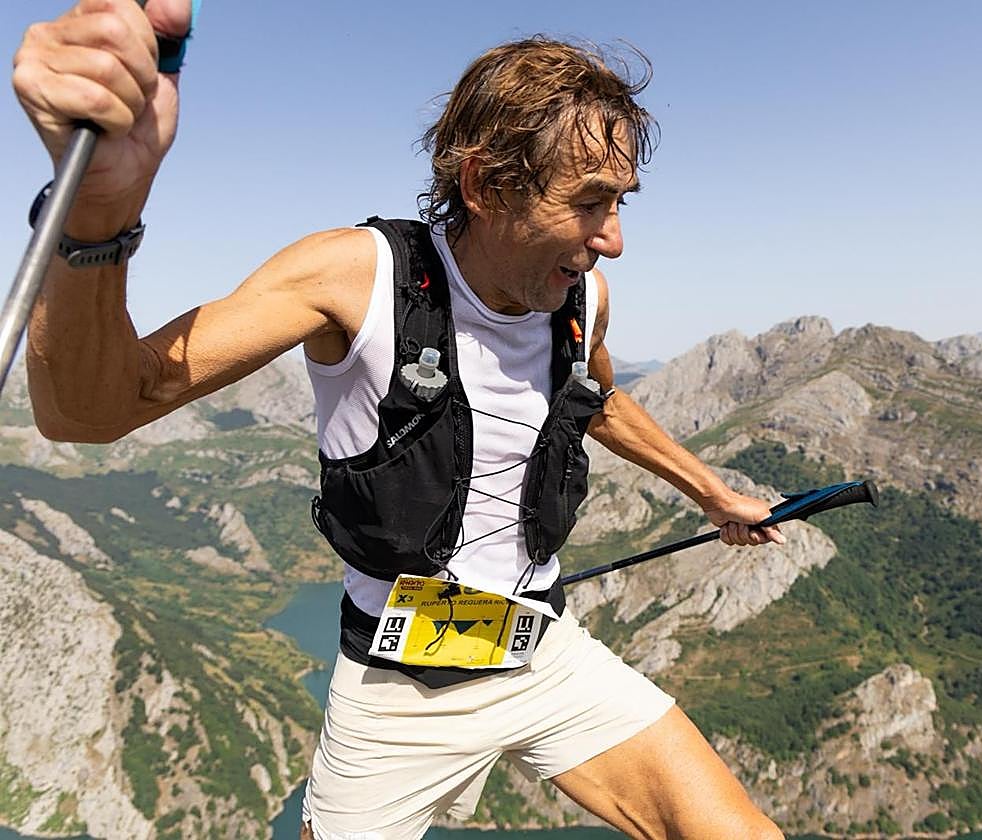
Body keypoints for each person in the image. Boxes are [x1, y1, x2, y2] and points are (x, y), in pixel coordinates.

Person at [14, 2, 787, 838]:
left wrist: (712, 494)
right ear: (485, 186)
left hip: (540, 647)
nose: (615, 240)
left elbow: (594, 401)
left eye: (622, 201)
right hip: (396, 692)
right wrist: (95, 214)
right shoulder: (355, 278)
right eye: (590, 202)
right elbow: (89, 411)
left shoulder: (582, 299)